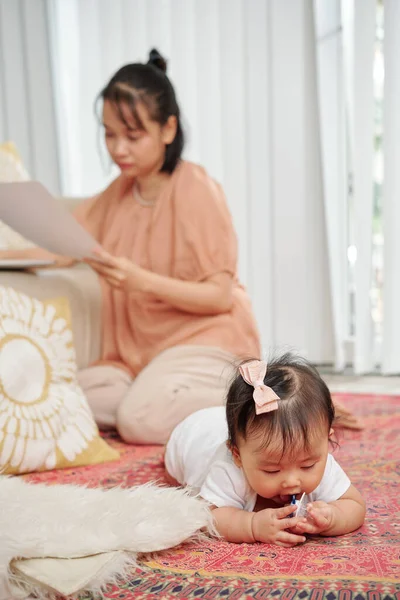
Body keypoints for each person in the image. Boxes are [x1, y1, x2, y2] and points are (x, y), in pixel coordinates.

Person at [0, 49, 360, 442]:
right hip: (138, 358)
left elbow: (219, 297)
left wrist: (139, 280)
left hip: (203, 340)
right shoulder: (115, 195)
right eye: (109, 133)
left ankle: (277, 401)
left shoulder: (194, 188)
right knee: (59, 397)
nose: (118, 149)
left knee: (138, 419)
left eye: (132, 135)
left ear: (168, 129)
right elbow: (59, 247)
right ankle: (174, 399)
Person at [164, 354, 366, 546]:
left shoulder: (319, 457)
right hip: (193, 433)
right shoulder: (228, 468)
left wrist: (333, 517)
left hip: (231, 428)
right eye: (272, 470)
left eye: (307, 465)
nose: (292, 481)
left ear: (327, 442)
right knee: (172, 475)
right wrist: (252, 526)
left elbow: (355, 505)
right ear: (238, 456)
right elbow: (211, 516)